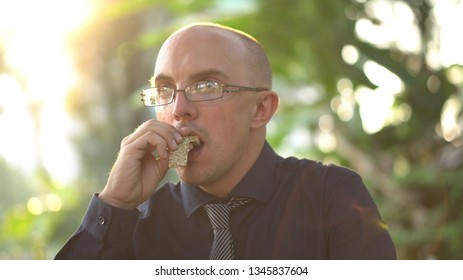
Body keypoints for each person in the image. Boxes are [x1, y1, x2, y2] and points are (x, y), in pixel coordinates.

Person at [55, 22, 396, 260]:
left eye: (206, 86)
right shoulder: (133, 224)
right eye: (164, 90)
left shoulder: (332, 198)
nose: (179, 109)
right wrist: (114, 202)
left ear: (261, 109)